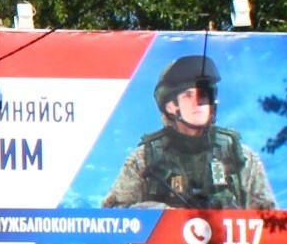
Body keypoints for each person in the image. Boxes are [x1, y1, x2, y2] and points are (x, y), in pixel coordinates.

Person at [101, 54, 276, 208]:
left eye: (203, 95)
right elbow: (114, 217)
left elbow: (270, 223)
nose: (199, 102)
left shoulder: (238, 156)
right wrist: (158, 215)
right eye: (188, 95)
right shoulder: (145, 158)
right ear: (171, 106)